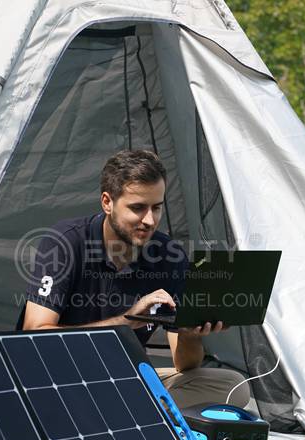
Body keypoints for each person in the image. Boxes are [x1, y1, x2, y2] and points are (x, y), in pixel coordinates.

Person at [19, 149, 250, 409]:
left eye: (157, 208)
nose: (149, 220)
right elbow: (34, 337)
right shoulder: (65, 242)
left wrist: (188, 334)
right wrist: (128, 322)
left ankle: (125, 410)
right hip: (55, 379)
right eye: (138, 208)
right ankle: (131, 411)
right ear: (107, 202)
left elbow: (185, 364)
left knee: (232, 386)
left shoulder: (169, 256)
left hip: (121, 377)